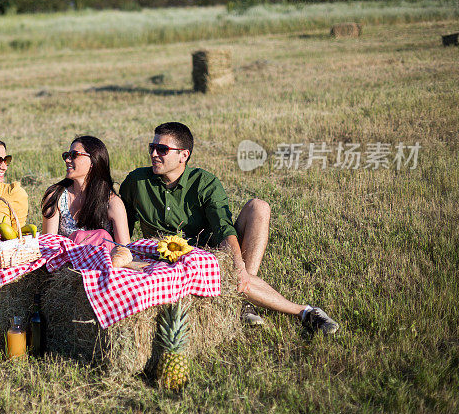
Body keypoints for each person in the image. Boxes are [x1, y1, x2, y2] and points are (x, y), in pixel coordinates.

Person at [120, 122, 339, 334]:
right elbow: (122, 226)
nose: (154, 154)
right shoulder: (136, 181)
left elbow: (224, 228)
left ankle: (243, 294)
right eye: (152, 147)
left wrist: (238, 266)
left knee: (259, 207)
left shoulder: (204, 182)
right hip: (166, 262)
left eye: (162, 149)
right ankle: (304, 311)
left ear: (183, 155)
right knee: (232, 273)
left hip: (210, 255)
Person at [41, 135, 130, 244]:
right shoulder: (55, 196)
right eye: (66, 155)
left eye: (74, 155)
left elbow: (124, 251)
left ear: (93, 161)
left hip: (102, 260)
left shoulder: (112, 203)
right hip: (66, 259)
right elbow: (48, 245)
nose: (67, 160)